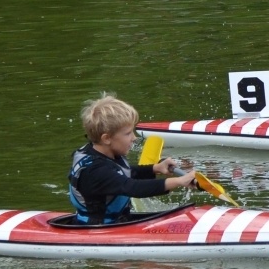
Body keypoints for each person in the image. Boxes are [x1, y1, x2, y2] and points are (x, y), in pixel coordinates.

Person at [68, 93, 195, 224]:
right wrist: (179, 181)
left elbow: (123, 173)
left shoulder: (104, 153)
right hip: (97, 231)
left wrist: (155, 168)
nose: (134, 138)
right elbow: (132, 187)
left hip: (117, 222)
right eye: (128, 133)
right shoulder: (94, 171)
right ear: (106, 138)